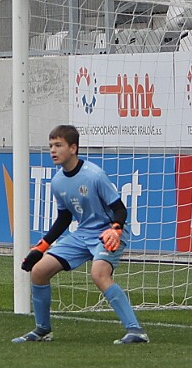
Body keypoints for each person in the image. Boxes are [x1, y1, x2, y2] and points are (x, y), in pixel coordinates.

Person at [12, 125, 147, 345]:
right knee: (39, 271)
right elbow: (64, 218)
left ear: (73, 148)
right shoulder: (57, 182)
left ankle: (136, 331)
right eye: (51, 146)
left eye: (58, 145)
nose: (53, 150)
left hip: (108, 233)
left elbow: (120, 209)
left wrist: (115, 229)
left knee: (99, 274)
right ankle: (42, 329)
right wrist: (41, 247)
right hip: (82, 234)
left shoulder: (95, 175)